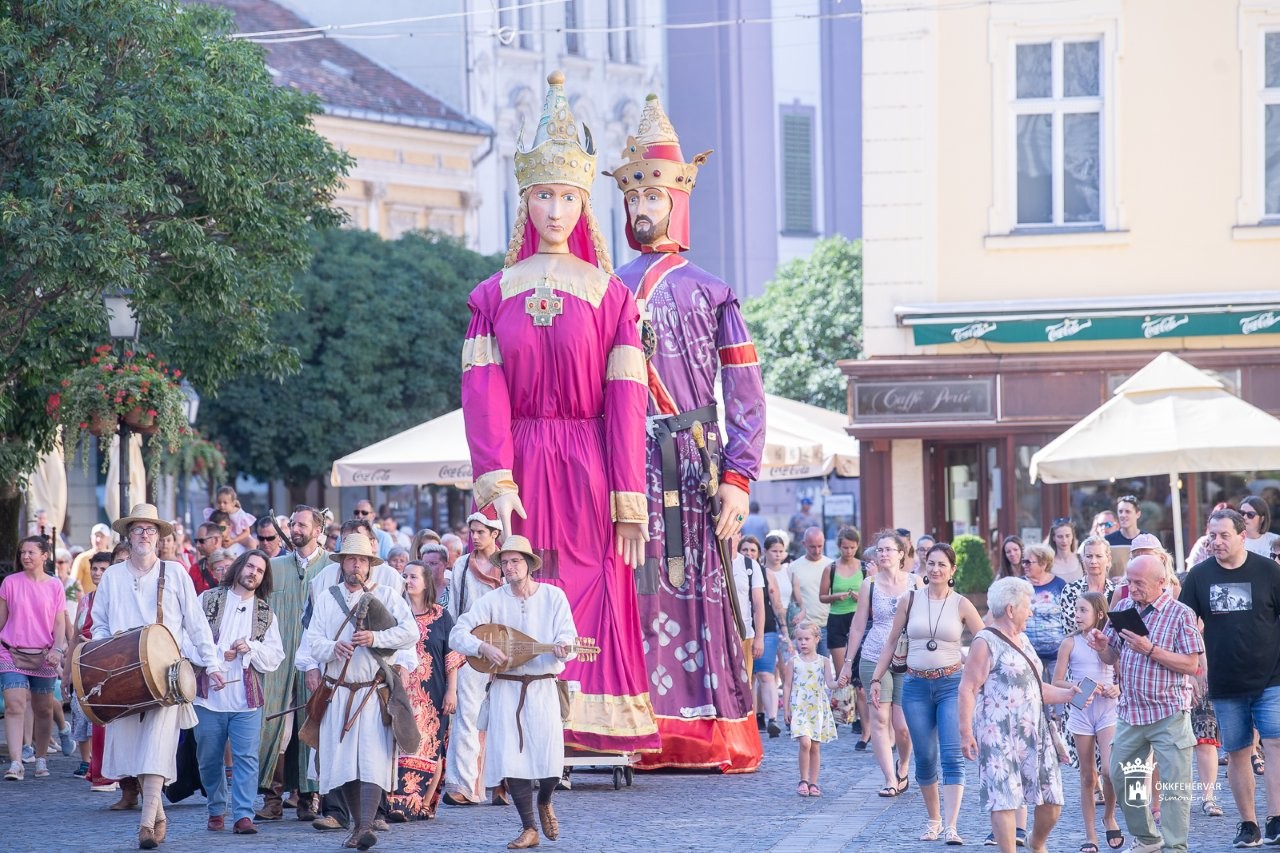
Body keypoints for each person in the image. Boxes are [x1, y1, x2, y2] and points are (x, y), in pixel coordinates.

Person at [460, 71, 656, 757]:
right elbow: (483, 392)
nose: (554, 209)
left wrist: (630, 498)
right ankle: (520, 720)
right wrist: (494, 479)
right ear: (525, 200)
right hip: (519, 461)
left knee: (593, 575)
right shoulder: (492, 296)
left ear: (583, 202)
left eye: (567, 196)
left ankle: (591, 716)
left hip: (590, 460)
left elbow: (626, 403)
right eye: (542, 194)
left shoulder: (612, 298)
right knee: (524, 578)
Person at [610, 91, 766, 771]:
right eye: (634, 200)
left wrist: (739, 474)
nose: (643, 210)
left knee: (700, 590)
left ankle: (706, 730)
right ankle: (632, 725)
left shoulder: (713, 289)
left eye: (654, 199)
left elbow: (745, 391)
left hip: (695, 461)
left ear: (677, 202)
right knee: (634, 592)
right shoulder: (605, 288)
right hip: (626, 462)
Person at [90, 504, 224, 849]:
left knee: (156, 745)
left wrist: (213, 665)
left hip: (168, 675)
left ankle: (146, 825)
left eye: (151, 530)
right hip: (123, 675)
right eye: (138, 530)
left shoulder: (175, 572)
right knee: (136, 752)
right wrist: (108, 654)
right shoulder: (114, 577)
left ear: (159, 536)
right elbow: (100, 623)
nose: (144, 536)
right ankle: (158, 812)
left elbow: (196, 625)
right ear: (128, 535)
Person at [449, 535, 578, 850]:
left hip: (543, 686)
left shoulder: (553, 596)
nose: (508, 567)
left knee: (549, 761)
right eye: (504, 562)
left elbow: (568, 639)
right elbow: (458, 633)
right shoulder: (493, 601)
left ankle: (545, 799)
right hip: (507, 688)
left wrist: (562, 649)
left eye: (515, 561)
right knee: (512, 760)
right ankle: (529, 827)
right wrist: (482, 647)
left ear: (529, 564)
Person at [302, 532, 417, 851]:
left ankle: (365, 826)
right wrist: (332, 648)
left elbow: (410, 632)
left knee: (371, 761)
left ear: (369, 565)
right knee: (342, 765)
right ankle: (358, 826)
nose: (356, 565)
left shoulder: (389, 596)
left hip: (372, 693)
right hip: (337, 693)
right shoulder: (327, 598)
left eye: (362, 560)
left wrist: (375, 639)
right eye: (351, 559)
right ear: (342, 563)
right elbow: (312, 641)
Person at [1085, 554, 1202, 853]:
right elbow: (1112, 656)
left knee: (1175, 788)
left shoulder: (1180, 614)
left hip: (1169, 712)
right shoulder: (1123, 607)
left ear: (1161, 582)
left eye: (1139, 583)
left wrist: (1150, 649)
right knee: (1123, 777)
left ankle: (1176, 846)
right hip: (1130, 712)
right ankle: (1148, 838)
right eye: (1129, 581)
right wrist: (1101, 647)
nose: (1131, 588)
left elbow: (1191, 664)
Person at [1179, 507, 1280, 847]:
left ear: (1242, 536)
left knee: (1275, 745)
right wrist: (1194, 668)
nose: (1217, 542)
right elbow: (1184, 625)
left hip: (1272, 678)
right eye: (1212, 536)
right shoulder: (1199, 576)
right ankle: (1248, 824)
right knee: (1237, 752)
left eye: (1224, 535)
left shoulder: (1269, 572)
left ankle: (1276, 818)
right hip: (1224, 682)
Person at [873, 543, 985, 843]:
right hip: (915, 686)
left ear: (952, 570)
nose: (935, 569)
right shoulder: (909, 600)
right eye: (931, 563)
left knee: (951, 755)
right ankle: (933, 819)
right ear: (924, 564)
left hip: (951, 685)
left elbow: (985, 640)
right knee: (924, 757)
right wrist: (875, 678)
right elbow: (890, 640)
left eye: (942, 565)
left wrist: (976, 671)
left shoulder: (961, 603)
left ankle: (951, 825)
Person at [960, 577, 1079, 853]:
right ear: (1011, 610)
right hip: (997, 732)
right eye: (1028, 606)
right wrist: (966, 732)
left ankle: (1036, 844)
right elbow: (967, 688)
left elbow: (1036, 687)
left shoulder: (1023, 639)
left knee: (1052, 800)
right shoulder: (985, 641)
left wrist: (1068, 694)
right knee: (1004, 799)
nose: (1032, 612)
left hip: (1034, 731)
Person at [190, 549, 284, 835]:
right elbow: (186, 638)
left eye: (260, 571)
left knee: (247, 757)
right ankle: (216, 807)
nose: (254, 573)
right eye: (251, 566)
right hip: (207, 697)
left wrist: (250, 648)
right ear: (239, 567)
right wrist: (211, 663)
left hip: (246, 699)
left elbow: (275, 655)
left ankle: (243, 814)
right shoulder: (208, 600)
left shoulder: (265, 613)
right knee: (208, 758)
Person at [257, 505, 332, 825]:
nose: (295, 528)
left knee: (312, 722)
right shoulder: (273, 567)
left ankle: (307, 797)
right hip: (278, 658)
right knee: (274, 725)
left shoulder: (332, 567)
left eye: (302, 524)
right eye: (292, 524)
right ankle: (272, 798)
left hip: (317, 657)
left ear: (318, 530)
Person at [837, 529, 920, 797]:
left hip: (908, 660)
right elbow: (859, 626)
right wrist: (848, 663)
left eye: (889, 550)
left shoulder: (917, 583)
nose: (883, 554)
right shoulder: (869, 584)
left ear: (901, 554)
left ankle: (903, 765)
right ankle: (889, 779)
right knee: (880, 719)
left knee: (904, 727)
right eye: (879, 550)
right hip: (874, 656)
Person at [388, 562, 461, 822]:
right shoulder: (396, 613)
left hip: (432, 692)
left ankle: (424, 803)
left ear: (426, 581)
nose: (408, 580)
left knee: (431, 745)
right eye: (404, 575)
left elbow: (450, 657)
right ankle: (398, 803)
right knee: (399, 744)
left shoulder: (441, 616)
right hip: (400, 691)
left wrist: (452, 691)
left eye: (413, 576)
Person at [443, 510, 505, 806]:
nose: (475, 537)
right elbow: (454, 609)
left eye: (481, 532)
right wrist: (456, 647)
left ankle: (502, 782)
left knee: (502, 718)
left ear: (495, 533)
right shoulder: (461, 566)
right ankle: (464, 786)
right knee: (466, 716)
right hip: (470, 648)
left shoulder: (509, 563)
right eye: (473, 532)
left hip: (505, 648)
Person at [1053, 591, 1122, 853]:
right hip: (1082, 710)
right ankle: (1090, 834)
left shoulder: (1108, 642)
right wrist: (1079, 686)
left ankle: (1109, 816)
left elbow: (1121, 676)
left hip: (1107, 710)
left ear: (1099, 614)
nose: (1077, 615)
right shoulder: (1069, 643)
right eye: (1076, 610)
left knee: (1109, 770)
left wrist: (1116, 689)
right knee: (1087, 775)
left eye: (1083, 610)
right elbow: (1057, 680)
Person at [1, 536, 69, 782]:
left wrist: (57, 650)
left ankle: (41, 757)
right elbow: (1, 620)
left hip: (43, 655)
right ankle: (16, 762)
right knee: (14, 705)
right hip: (10, 651)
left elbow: (59, 622)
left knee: (43, 709)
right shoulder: (9, 583)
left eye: (31, 552)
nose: (25, 557)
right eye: (22, 553)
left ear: (44, 555)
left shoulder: (55, 586)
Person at [67, 550, 113, 780]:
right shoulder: (85, 599)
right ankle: (85, 761)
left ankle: (101, 762)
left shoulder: (116, 599)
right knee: (79, 711)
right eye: (94, 568)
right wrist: (67, 673)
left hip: (106, 665)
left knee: (102, 716)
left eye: (103, 569)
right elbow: (75, 635)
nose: (97, 573)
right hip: (83, 661)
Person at [783, 621, 836, 798]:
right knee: (805, 742)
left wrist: (840, 682)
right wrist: (786, 709)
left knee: (815, 746)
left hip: (817, 708)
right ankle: (803, 780)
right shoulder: (793, 662)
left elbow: (829, 683)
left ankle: (813, 782)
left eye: (807, 639)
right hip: (800, 707)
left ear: (816, 639)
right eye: (799, 639)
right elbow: (787, 685)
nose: (803, 643)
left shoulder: (824, 662)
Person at [754, 534, 794, 738]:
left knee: (773, 674)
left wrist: (785, 630)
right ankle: (755, 716)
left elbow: (780, 602)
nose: (749, 554)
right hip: (748, 628)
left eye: (752, 550)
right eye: (745, 550)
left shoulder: (770, 573)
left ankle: (777, 718)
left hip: (772, 626)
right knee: (755, 676)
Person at [1022, 544, 1067, 680]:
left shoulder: (1060, 584)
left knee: (1059, 694)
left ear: (1043, 564)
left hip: (1057, 655)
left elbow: (1068, 616)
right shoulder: (1019, 585)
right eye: (1024, 562)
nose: (1024, 565)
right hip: (1028, 654)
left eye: (1028, 562)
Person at [1060, 536, 1117, 638]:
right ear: (1083, 559)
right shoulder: (1071, 590)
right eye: (1089, 556)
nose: (1093, 561)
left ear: (1108, 559)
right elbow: (1069, 628)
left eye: (1099, 556)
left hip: (1109, 648)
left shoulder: (1117, 591)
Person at [790, 527, 835, 655]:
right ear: (803, 544)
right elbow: (791, 598)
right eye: (812, 547)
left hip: (826, 625)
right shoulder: (794, 568)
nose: (817, 551)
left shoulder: (832, 565)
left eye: (820, 546)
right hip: (804, 628)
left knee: (824, 666)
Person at [731, 535, 766, 689]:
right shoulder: (712, 561)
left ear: (738, 535)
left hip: (745, 634)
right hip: (719, 634)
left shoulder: (749, 565)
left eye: (734, 531)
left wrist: (759, 638)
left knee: (745, 684)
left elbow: (759, 605)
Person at [204, 485, 256, 552]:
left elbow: (247, 532)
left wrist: (234, 541)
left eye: (225, 503)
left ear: (233, 503)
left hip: (238, 535)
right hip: (224, 533)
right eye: (219, 502)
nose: (221, 505)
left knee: (252, 542)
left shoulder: (240, 514)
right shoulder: (218, 512)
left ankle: (252, 558)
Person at [71, 524, 114, 593]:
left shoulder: (114, 557)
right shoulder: (82, 558)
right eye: (96, 536)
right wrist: (83, 601)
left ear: (108, 539)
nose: (98, 540)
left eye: (102, 536)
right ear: (91, 537)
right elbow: (73, 584)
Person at [1047, 519, 1085, 583]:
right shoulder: (1047, 563)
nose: (1064, 540)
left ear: (1072, 536)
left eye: (1067, 536)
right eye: (1060, 536)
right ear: (1053, 538)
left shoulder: (1081, 559)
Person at [189, 522, 223, 593]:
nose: (197, 545)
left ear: (216, 540)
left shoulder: (233, 566)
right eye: (196, 541)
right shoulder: (195, 569)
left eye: (201, 541)